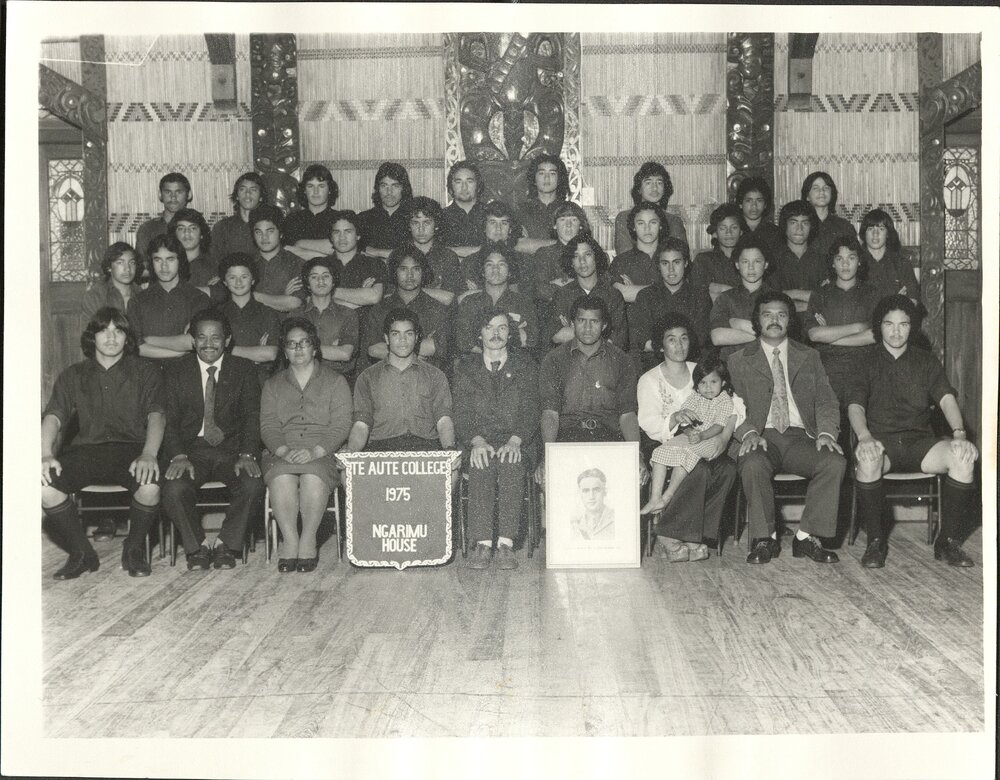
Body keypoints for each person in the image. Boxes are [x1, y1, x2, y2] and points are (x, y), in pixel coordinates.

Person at [848, 295, 979, 569]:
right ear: (879, 326)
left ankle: (948, 541)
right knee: (869, 459)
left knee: (963, 458)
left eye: (904, 324)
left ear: (913, 327)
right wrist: (864, 437)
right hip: (881, 443)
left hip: (920, 444)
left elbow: (946, 400)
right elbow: (855, 406)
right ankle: (875, 542)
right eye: (889, 324)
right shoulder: (865, 360)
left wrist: (959, 434)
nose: (896, 331)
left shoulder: (926, 361)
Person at [41, 307, 164, 579]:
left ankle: (133, 550)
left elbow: (156, 415)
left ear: (127, 337)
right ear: (92, 337)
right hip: (87, 452)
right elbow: (54, 416)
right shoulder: (73, 375)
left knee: (151, 486)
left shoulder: (145, 372)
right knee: (45, 487)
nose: (111, 338)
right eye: (103, 330)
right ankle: (82, 553)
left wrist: (149, 453)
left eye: (118, 331)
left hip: (131, 451)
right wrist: (45, 453)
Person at [729, 291, 846, 565]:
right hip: (761, 436)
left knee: (834, 462)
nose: (774, 320)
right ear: (757, 321)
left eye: (781, 314)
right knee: (753, 464)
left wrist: (827, 433)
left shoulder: (809, 356)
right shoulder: (738, 359)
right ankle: (764, 538)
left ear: (790, 320)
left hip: (800, 437)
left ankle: (807, 537)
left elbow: (826, 399)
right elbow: (729, 404)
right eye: (767, 314)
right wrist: (747, 433)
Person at [160, 309, 264, 570]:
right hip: (189, 452)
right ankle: (197, 547)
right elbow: (167, 418)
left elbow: (252, 415)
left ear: (227, 340)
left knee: (252, 484)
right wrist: (178, 454)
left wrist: (247, 453)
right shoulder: (174, 370)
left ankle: (226, 545)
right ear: (192, 340)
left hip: (231, 451)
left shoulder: (243, 369)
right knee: (174, 489)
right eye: (201, 337)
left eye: (216, 337)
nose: (209, 343)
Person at [637, 313, 741, 561]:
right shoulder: (649, 379)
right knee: (700, 469)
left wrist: (724, 438)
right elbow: (649, 424)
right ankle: (670, 534)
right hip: (666, 441)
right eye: (671, 340)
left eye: (684, 338)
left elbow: (734, 406)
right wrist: (674, 419)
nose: (679, 345)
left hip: (707, 439)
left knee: (727, 469)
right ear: (660, 345)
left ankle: (698, 536)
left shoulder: (702, 371)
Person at [260, 318, 353, 572]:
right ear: (285, 351)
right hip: (281, 451)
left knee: (313, 476)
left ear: (315, 347)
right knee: (282, 477)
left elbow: (341, 424)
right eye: (291, 344)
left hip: (322, 451)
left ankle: (308, 539)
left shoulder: (336, 382)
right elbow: (268, 426)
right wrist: (283, 451)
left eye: (305, 343)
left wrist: (315, 451)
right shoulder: (272, 385)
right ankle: (289, 540)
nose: (298, 349)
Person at [452, 310, 540, 570]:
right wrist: (476, 441)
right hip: (478, 440)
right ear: (480, 334)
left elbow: (531, 408)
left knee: (511, 463)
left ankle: (505, 544)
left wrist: (516, 440)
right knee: (482, 462)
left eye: (502, 328)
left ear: (510, 333)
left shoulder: (524, 365)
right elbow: (461, 411)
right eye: (488, 327)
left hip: (516, 440)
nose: (495, 333)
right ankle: (481, 543)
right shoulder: (466, 368)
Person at [537, 296, 648, 483]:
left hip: (609, 437)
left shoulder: (621, 361)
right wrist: (548, 455)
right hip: (567, 438)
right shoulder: (554, 360)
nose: (587, 328)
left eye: (594, 321)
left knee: (633, 477)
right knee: (550, 479)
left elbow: (627, 414)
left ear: (604, 325)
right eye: (581, 321)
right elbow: (550, 414)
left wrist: (636, 454)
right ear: (572, 323)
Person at [642, 353, 739, 518]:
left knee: (686, 453)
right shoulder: (695, 397)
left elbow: (718, 426)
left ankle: (667, 496)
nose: (708, 387)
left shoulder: (724, 401)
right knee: (660, 451)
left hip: (710, 440)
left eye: (713, 382)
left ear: (723, 383)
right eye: (703, 383)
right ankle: (655, 497)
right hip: (692, 436)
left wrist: (701, 436)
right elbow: (684, 421)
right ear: (697, 385)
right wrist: (689, 431)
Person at [347, 308, 456, 453]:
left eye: (409, 334)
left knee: (452, 474)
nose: (402, 340)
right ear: (386, 338)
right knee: (347, 473)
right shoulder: (368, 377)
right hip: (381, 448)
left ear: (417, 337)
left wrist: (449, 449)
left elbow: (444, 420)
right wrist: (351, 451)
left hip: (425, 447)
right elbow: (361, 424)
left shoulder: (435, 375)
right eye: (395, 334)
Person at [804, 237, 879, 406]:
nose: (845, 264)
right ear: (832, 263)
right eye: (839, 259)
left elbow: (874, 335)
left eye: (851, 258)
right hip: (828, 367)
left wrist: (831, 335)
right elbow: (814, 334)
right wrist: (858, 327)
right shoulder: (820, 294)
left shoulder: (872, 294)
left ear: (859, 262)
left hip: (863, 366)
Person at [628, 237, 712, 372]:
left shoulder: (699, 296)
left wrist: (659, 345)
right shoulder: (646, 296)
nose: (671, 270)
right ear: (658, 265)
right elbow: (642, 342)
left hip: (691, 368)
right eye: (665, 263)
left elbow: (699, 340)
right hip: (654, 368)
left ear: (685, 263)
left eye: (676, 262)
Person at [363, 247, 451, 371]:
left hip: (426, 377)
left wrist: (393, 350)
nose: (410, 275)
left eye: (416, 269)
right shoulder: (380, 309)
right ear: (395, 272)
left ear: (423, 272)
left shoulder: (437, 308)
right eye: (403, 269)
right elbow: (373, 349)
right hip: (388, 376)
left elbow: (437, 347)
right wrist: (415, 354)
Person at [127, 234, 211, 363]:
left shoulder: (198, 298)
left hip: (185, 372)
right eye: (158, 260)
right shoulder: (138, 301)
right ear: (151, 262)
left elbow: (192, 342)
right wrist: (177, 352)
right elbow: (135, 347)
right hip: (148, 374)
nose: (164, 266)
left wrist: (149, 340)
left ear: (180, 261)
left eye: (170, 259)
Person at [544, 235, 628, 351]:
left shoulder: (613, 295)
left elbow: (618, 341)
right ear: (571, 262)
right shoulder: (562, 294)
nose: (582, 261)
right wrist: (599, 333)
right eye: (576, 256)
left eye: (587, 255)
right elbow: (555, 336)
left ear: (596, 257)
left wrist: (573, 330)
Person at [454, 245, 537, 355]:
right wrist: (513, 333)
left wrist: (481, 334)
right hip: (476, 364)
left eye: (501, 264)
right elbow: (463, 342)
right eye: (489, 264)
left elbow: (531, 339)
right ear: (482, 271)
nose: (495, 269)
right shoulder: (469, 302)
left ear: (510, 270)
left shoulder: (523, 302)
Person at [216, 253, 281, 382]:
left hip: (259, 382)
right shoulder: (216, 314)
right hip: (225, 381)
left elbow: (271, 354)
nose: (238, 282)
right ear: (224, 282)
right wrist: (255, 354)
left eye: (244, 276)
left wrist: (225, 349)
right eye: (232, 277)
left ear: (253, 280)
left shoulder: (268, 313)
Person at [709, 233, 774, 361]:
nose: (751, 267)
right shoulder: (725, 299)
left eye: (757, 261)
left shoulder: (776, 299)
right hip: (731, 368)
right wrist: (763, 335)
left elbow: (780, 337)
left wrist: (736, 323)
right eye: (745, 261)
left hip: (766, 366)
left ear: (766, 264)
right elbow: (717, 337)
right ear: (737, 264)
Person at [299, 256, 359, 377]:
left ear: (333, 282)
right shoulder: (296, 315)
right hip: (303, 377)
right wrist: (331, 349)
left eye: (326, 276)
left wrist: (304, 347)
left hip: (338, 379)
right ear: (307, 284)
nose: (321, 281)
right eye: (314, 277)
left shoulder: (348, 314)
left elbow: (345, 354)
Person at [613, 161, 689, 255]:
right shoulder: (623, 218)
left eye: (659, 183)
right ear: (639, 189)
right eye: (648, 182)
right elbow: (624, 255)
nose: (654, 188)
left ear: (665, 189)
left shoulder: (674, 221)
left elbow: (680, 257)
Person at [530, 201, 593, 304]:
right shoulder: (544, 254)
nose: (568, 225)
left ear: (581, 225)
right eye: (562, 220)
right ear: (555, 225)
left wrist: (561, 284)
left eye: (573, 220)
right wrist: (580, 285)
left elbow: (600, 289)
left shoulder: (593, 254)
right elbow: (541, 291)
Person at [248, 204, 306, 313]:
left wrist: (250, 295)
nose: (264, 237)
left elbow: (294, 303)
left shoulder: (296, 263)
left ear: (281, 233)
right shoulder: (246, 263)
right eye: (258, 232)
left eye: (270, 231)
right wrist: (280, 298)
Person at [406, 196, 464, 305]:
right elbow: (391, 297)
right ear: (409, 226)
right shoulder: (399, 255)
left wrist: (409, 290)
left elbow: (449, 298)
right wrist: (435, 292)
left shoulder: (448, 256)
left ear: (436, 225)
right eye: (415, 223)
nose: (421, 229)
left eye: (427, 223)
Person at [326, 210, 386, 315]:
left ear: (358, 235)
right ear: (331, 237)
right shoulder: (321, 265)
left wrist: (329, 291)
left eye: (348, 231)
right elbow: (312, 301)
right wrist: (360, 297)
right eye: (336, 232)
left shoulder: (374, 264)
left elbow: (374, 297)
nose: (342, 237)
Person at [610, 201, 671, 303]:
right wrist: (664, 290)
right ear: (633, 227)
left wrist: (634, 289)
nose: (647, 228)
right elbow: (622, 294)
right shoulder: (621, 261)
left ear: (660, 225)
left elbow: (679, 292)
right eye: (641, 223)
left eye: (653, 222)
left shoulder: (671, 257)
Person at [858, 208, 920, 305]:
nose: (875, 234)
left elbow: (913, 299)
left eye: (881, 229)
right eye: (870, 229)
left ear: (887, 234)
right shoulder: (855, 261)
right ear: (864, 233)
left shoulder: (902, 263)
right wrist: (896, 301)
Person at [772, 199, 825, 313]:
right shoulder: (772, 260)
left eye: (804, 223)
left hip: (817, 324)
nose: (799, 229)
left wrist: (790, 294)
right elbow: (772, 301)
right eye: (793, 222)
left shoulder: (823, 260)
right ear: (784, 226)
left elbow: (827, 299)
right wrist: (810, 301)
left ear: (811, 227)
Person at [282, 163, 339, 259]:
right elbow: (287, 250)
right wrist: (326, 257)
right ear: (304, 190)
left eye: (321, 186)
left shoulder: (339, 218)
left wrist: (300, 244)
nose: (315, 192)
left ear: (330, 190)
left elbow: (344, 247)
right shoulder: (292, 220)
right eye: (310, 186)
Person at [135, 172, 192, 266]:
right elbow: (141, 268)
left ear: (189, 194)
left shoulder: (197, 227)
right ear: (160, 195)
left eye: (179, 192)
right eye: (168, 192)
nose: (173, 197)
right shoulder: (148, 229)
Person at [358, 161, 413, 258]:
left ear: (404, 188)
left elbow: (416, 253)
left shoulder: (413, 218)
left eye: (395, 186)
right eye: (384, 186)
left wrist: (378, 252)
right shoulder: (364, 218)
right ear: (377, 188)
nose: (389, 192)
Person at [690, 203, 744, 302]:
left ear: (741, 231)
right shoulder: (703, 261)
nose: (729, 233)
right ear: (715, 232)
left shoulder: (747, 260)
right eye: (723, 228)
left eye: (734, 228)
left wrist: (718, 289)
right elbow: (698, 296)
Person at [516, 153, 568, 254]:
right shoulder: (521, 210)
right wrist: (560, 243)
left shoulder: (569, 209)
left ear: (559, 179)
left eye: (552, 173)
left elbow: (575, 247)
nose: (547, 178)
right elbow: (519, 245)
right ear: (534, 179)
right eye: (541, 173)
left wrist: (533, 243)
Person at [211, 172, 266, 261]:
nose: (247, 194)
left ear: (261, 197)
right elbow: (214, 260)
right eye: (242, 189)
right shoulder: (222, 227)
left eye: (253, 190)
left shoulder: (268, 227)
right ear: (236, 196)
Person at [801, 171, 855, 261]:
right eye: (815, 188)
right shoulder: (801, 225)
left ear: (832, 194)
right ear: (807, 196)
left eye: (826, 188)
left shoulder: (844, 226)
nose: (821, 192)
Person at [80, 241, 140, 320]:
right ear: (109, 267)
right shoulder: (95, 297)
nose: (128, 269)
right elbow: (90, 331)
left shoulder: (143, 295)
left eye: (132, 263)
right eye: (120, 263)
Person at [169, 208, 221, 299]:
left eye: (193, 228)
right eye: (181, 228)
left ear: (201, 234)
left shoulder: (214, 264)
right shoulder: (166, 263)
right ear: (174, 234)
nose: (187, 232)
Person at [441, 161, 487, 256]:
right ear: (451, 187)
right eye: (458, 182)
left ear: (478, 186)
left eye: (469, 181)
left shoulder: (491, 214)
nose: (464, 187)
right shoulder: (440, 216)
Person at [735, 176, 782, 257]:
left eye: (759, 200)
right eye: (748, 200)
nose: (754, 206)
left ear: (765, 205)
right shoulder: (733, 230)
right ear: (740, 204)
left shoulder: (775, 232)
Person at [570, 469, 616, 541]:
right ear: (579, 493)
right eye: (586, 491)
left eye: (596, 490)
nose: (591, 496)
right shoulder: (574, 524)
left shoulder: (617, 519)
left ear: (605, 491)